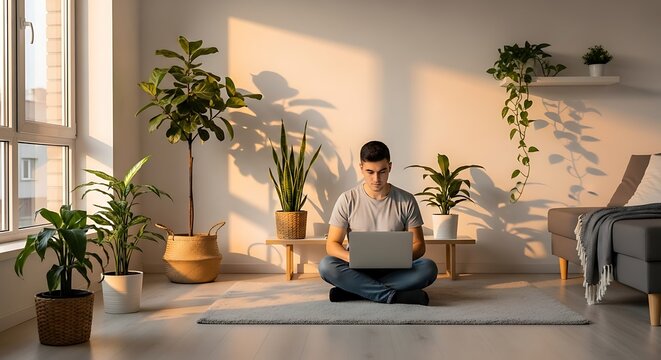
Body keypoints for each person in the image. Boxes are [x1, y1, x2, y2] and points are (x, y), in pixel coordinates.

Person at [318, 141, 438, 305]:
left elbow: (419, 245)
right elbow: (331, 244)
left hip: (395, 269)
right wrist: (351, 257)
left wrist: (398, 258)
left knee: (428, 268)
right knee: (326, 265)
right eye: (370, 172)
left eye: (382, 171)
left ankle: (356, 291)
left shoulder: (406, 200)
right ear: (361, 167)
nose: (376, 179)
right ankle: (393, 296)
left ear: (390, 166)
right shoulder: (347, 199)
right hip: (357, 269)